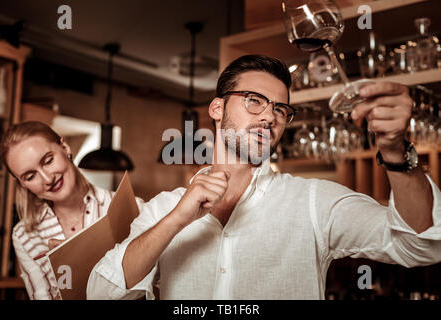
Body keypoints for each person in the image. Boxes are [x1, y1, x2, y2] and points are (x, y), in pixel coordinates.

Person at [87, 55, 440, 300]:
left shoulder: (315, 202)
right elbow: (102, 292)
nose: (270, 117)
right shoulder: (163, 208)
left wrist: (395, 152)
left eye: (280, 109)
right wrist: (177, 219)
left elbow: (421, 244)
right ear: (217, 108)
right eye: (254, 101)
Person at [0, 121, 143, 299]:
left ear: (65, 147)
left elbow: (149, 283)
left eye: (48, 161)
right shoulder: (24, 235)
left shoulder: (131, 206)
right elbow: (42, 295)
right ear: (22, 183)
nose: (47, 178)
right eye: (30, 176)